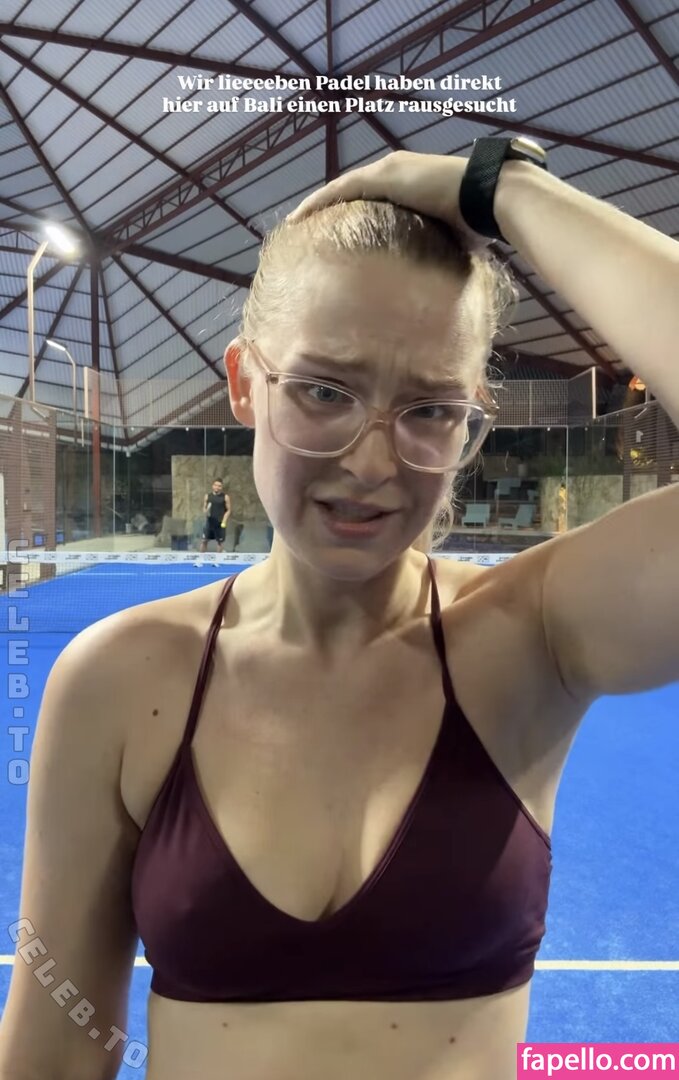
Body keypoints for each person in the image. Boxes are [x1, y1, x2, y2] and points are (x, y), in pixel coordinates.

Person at [1, 145, 677, 1080]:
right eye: (324, 391)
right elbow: (54, 1053)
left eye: (430, 410)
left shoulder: (533, 637)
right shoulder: (118, 681)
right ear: (245, 382)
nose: (370, 463)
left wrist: (505, 187)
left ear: (470, 419)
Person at [199, 477, 230, 553]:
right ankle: (201, 558)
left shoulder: (225, 497)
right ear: (213, 486)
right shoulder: (207, 496)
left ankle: (218, 559)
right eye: (215, 485)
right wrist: (205, 511)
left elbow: (228, 510)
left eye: (219, 486)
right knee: (204, 541)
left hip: (220, 523)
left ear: (221, 487)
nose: (217, 487)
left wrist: (224, 521)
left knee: (220, 542)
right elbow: (204, 508)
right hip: (209, 522)